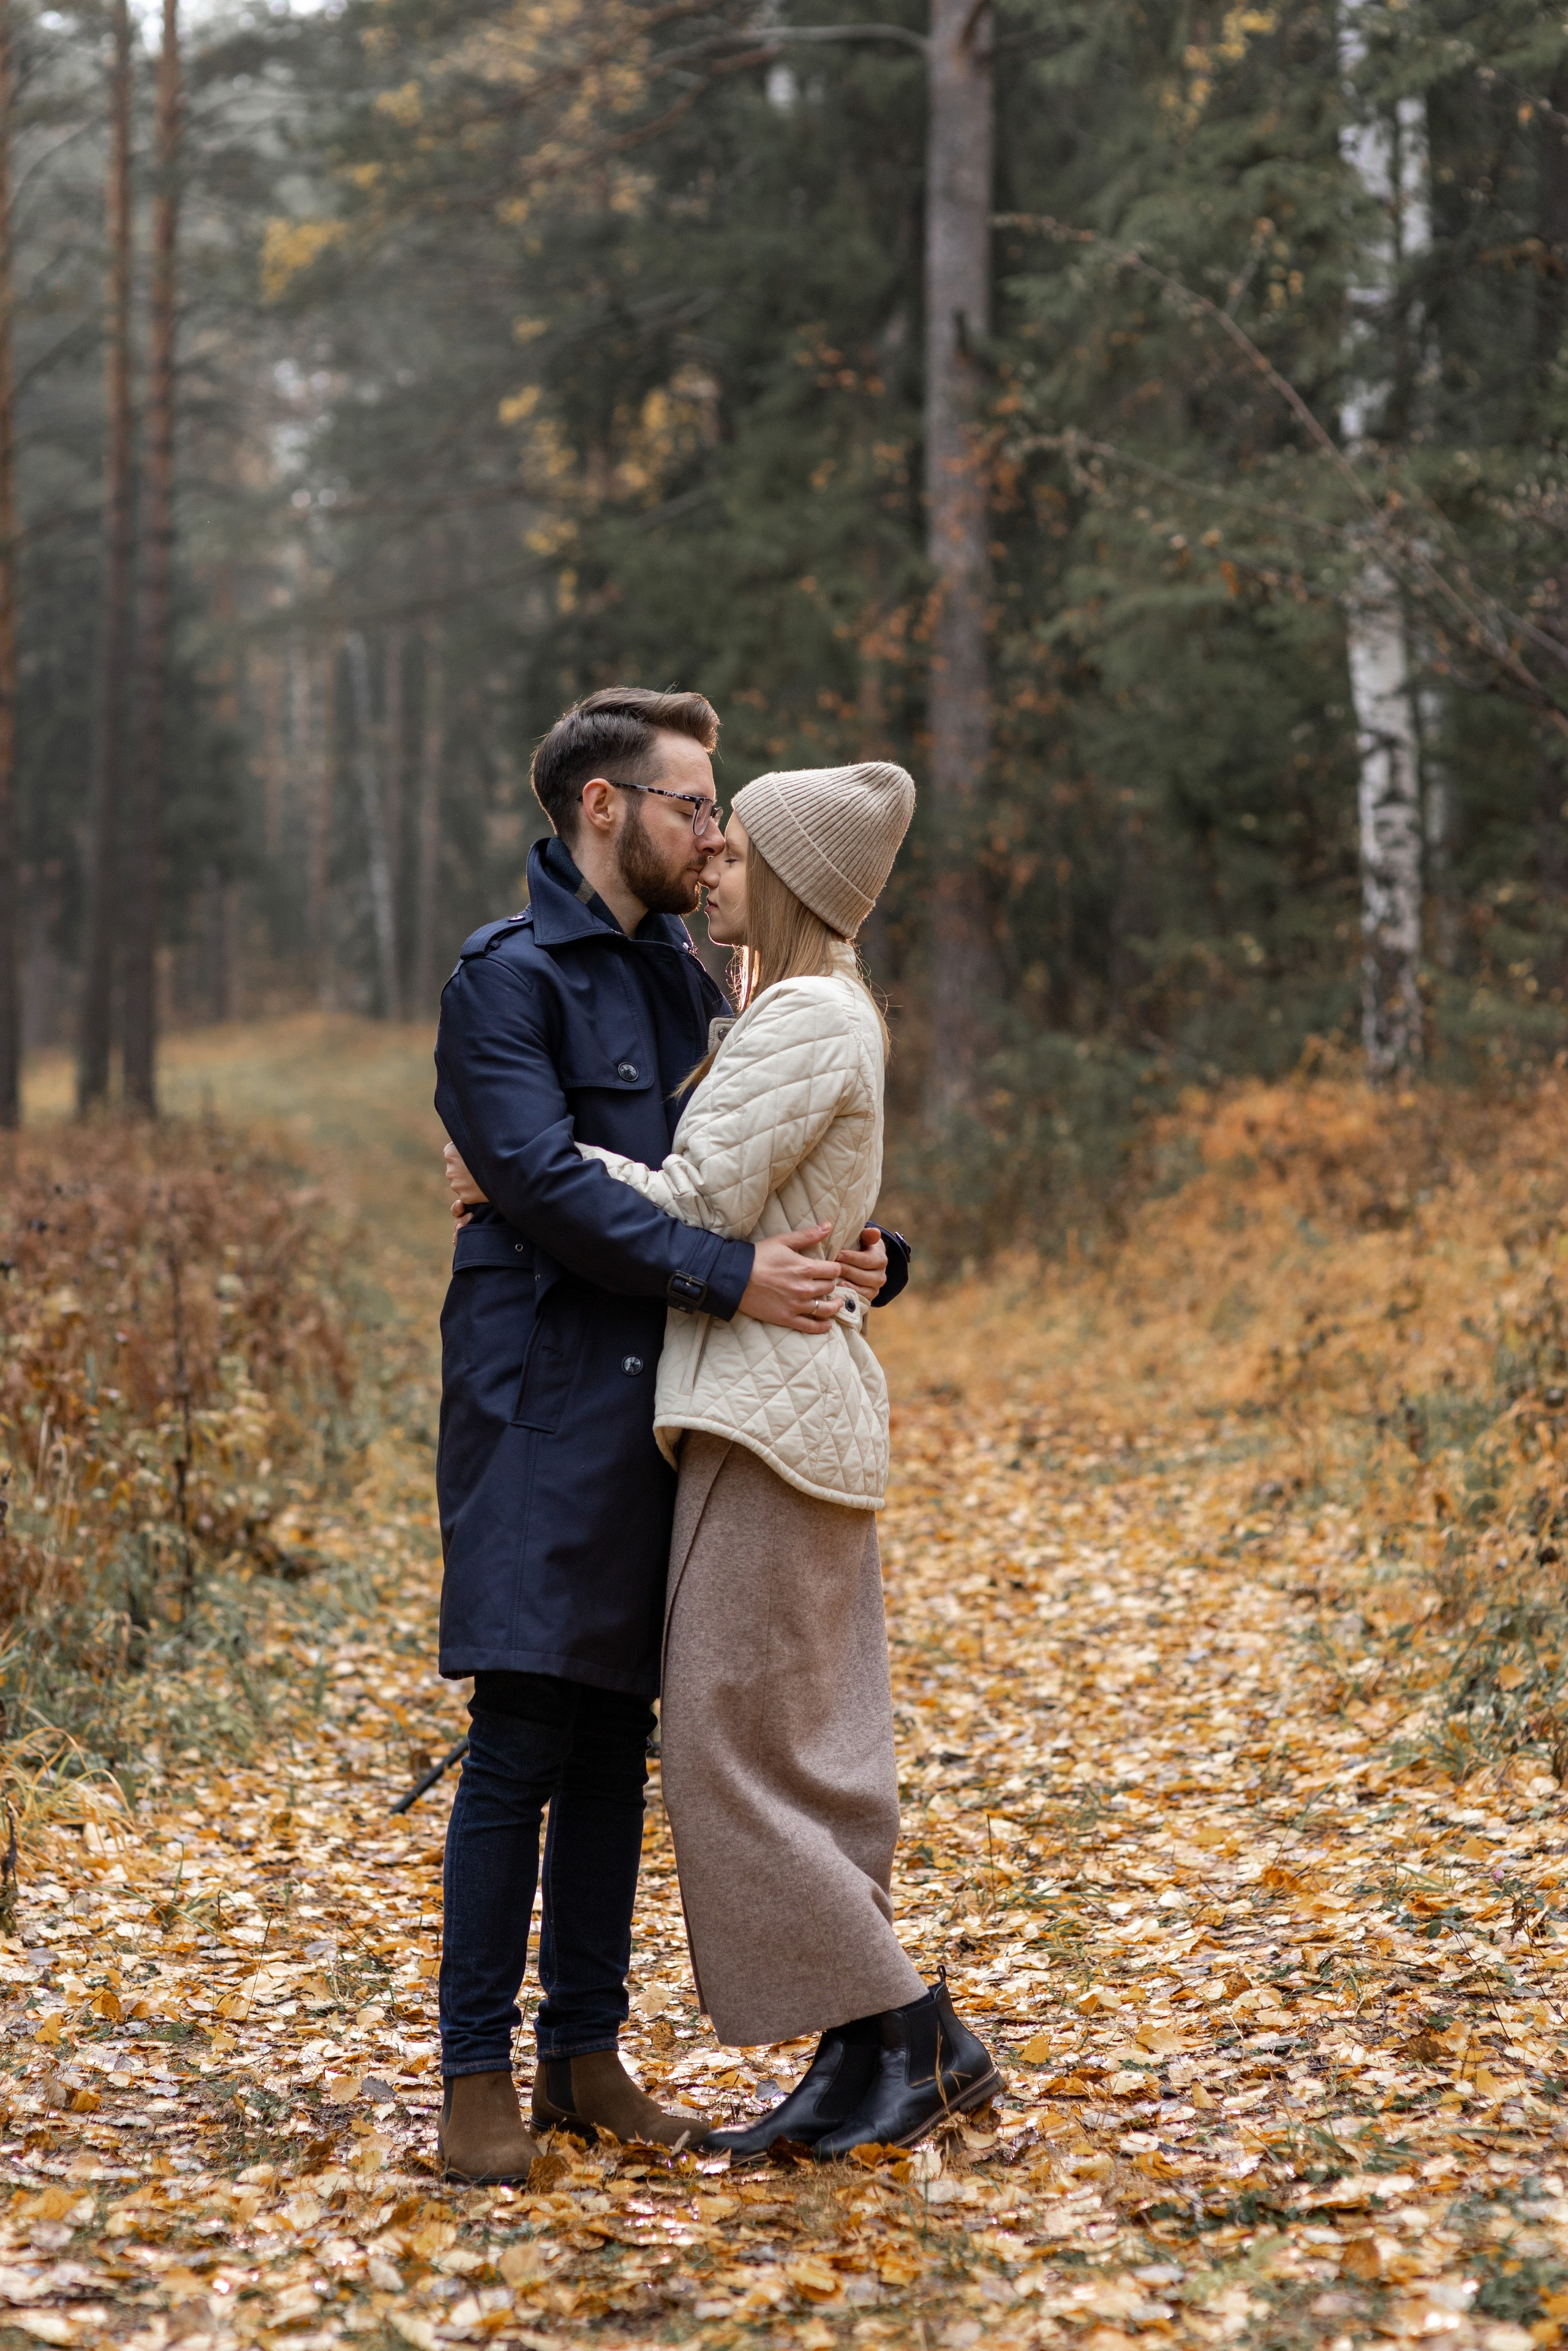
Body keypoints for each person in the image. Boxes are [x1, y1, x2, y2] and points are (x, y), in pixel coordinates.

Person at [450, 760, 1000, 2160]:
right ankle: (864, 2048)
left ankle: (910, 2032)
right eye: (701, 819)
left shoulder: (786, 1009)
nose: (713, 859)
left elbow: (699, 1197)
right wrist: (864, 1249)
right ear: (598, 800)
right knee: (769, 1748)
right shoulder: (729, 997)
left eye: (736, 840)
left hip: (759, 1413)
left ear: (799, 883)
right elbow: (791, 1196)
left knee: (727, 1751)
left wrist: (523, 1164)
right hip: (730, 1406)